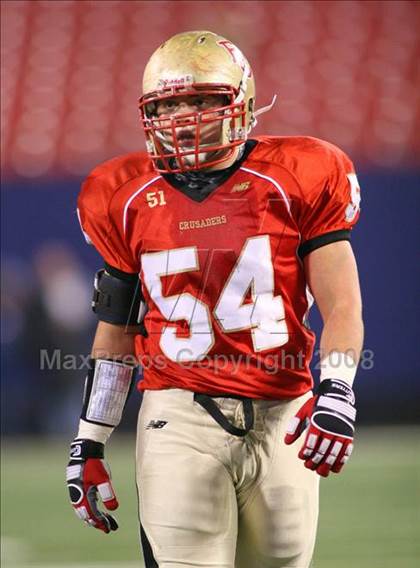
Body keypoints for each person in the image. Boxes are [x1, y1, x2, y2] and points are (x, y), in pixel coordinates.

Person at [66, 30, 363, 568]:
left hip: (284, 411)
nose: (184, 116)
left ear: (241, 102)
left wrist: (337, 388)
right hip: (179, 414)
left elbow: (342, 304)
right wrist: (89, 439)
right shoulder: (122, 194)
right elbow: (116, 332)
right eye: (170, 103)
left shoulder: (299, 173)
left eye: (202, 99)